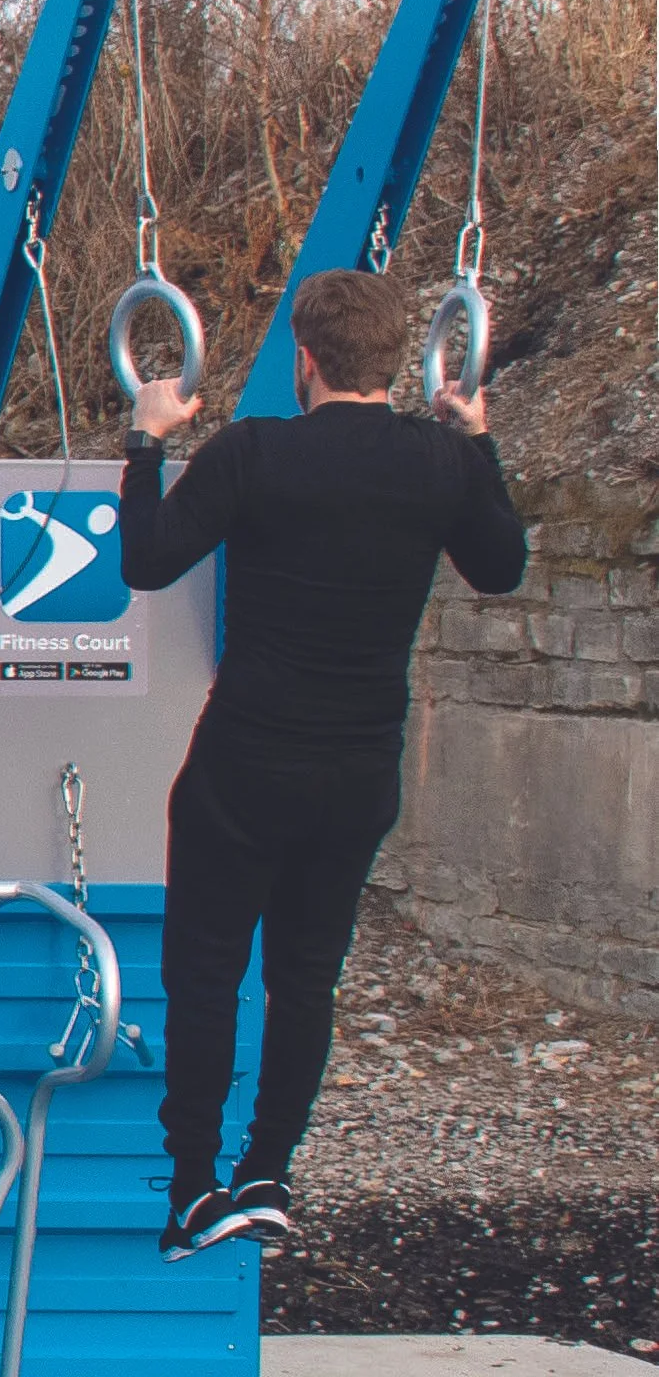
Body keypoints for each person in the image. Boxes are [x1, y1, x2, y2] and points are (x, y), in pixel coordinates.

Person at [118, 267, 526, 1262]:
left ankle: (191, 1190)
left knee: (207, 979)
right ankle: (268, 1173)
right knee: (306, 978)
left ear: (301, 359)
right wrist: (474, 434)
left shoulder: (253, 452)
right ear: (397, 361)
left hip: (244, 765)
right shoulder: (438, 463)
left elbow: (145, 558)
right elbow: (503, 566)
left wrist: (146, 436)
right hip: (356, 773)